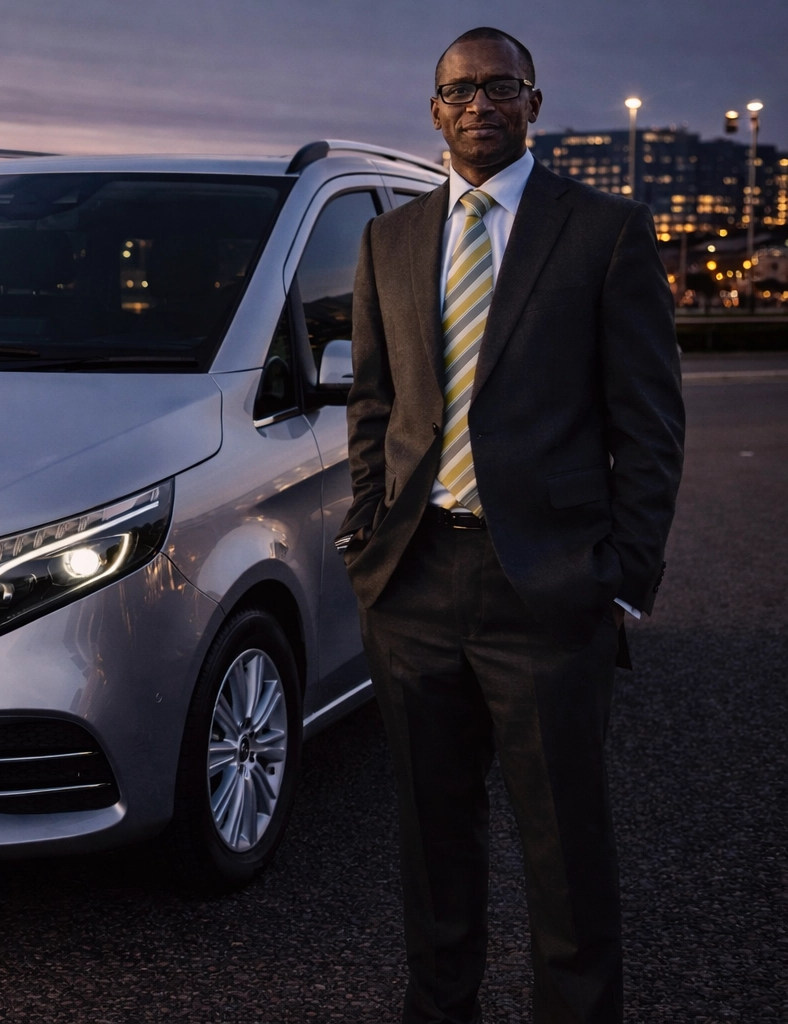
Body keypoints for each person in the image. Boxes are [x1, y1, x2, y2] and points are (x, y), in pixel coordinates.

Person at [335, 26, 685, 1024]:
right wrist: (368, 536)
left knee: (565, 849)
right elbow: (373, 403)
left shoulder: (605, 231)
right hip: (413, 582)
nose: (478, 105)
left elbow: (650, 423)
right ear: (434, 110)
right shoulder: (391, 240)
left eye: (499, 87)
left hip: (549, 586)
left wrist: (621, 577)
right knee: (432, 844)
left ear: (534, 102)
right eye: (459, 91)